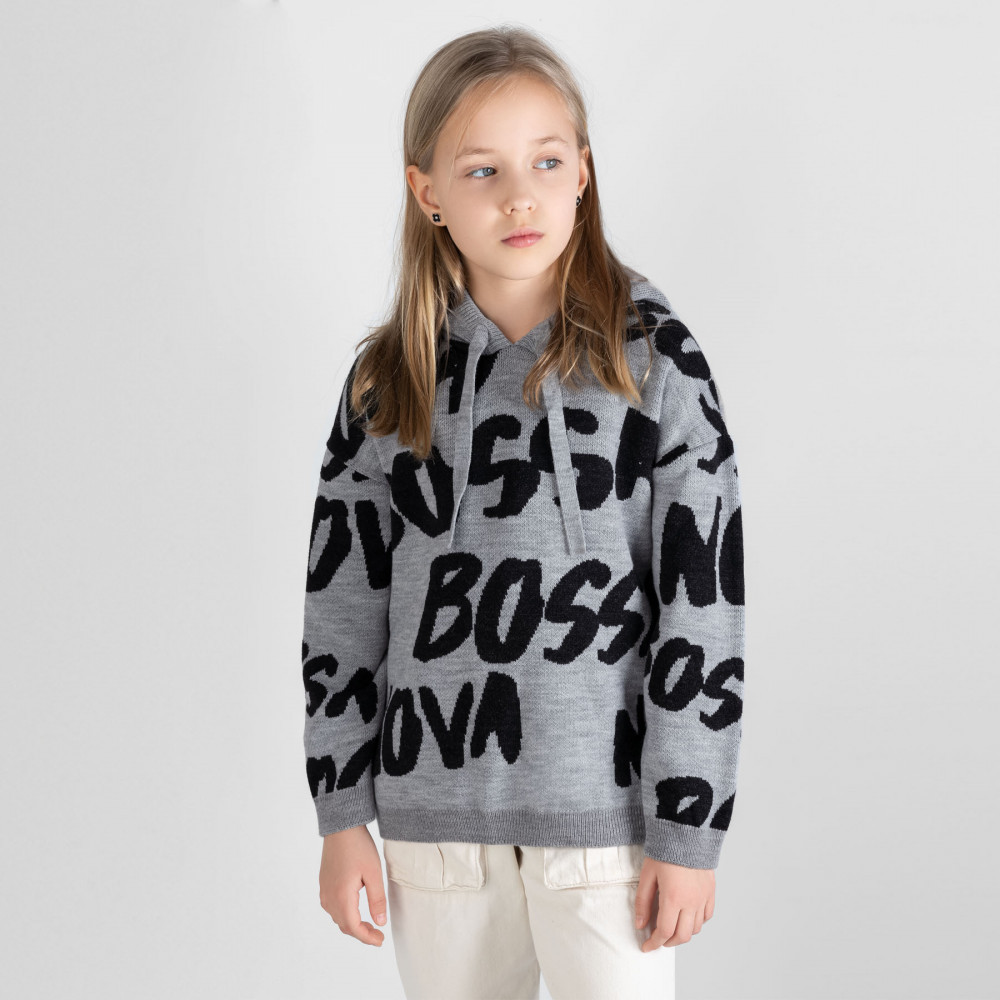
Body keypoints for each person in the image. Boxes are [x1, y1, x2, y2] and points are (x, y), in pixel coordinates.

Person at [301, 24, 745, 1000]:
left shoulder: (653, 361)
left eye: (545, 161)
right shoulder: (388, 379)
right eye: (482, 170)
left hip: (610, 830)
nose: (519, 195)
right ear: (427, 192)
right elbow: (342, 607)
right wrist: (341, 814)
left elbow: (702, 605)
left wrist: (688, 824)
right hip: (435, 833)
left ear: (582, 170)